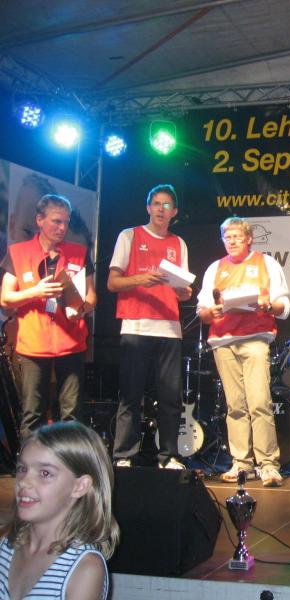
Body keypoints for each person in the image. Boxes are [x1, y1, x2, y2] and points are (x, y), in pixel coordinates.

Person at [197, 217, 290, 487]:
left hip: (255, 339)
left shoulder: (266, 263)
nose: (232, 241)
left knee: (259, 402)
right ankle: (242, 463)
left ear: (249, 239)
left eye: (237, 236)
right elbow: (202, 310)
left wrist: (267, 305)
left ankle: (268, 464)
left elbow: (284, 307)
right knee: (235, 406)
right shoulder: (215, 268)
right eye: (227, 237)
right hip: (223, 340)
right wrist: (211, 311)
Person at [108, 184, 192, 470]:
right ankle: (124, 455)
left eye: (166, 205)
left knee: (170, 398)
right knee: (131, 396)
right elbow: (112, 282)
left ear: (174, 212)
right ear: (148, 207)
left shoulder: (179, 243)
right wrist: (140, 279)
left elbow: (183, 290)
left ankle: (168, 456)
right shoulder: (129, 235)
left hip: (169, 328)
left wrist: (183, 292)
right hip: (136, 326)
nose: (160, 209)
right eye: (156, 203)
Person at [0, 194, 96, 439]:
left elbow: (92, 296)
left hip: (71, 342)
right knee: (33, 413)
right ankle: (30, 461)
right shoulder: (18, 253)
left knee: (72, 413)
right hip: (34, 344)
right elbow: (5, 299)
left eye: (66, 222)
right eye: (56, 221)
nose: (62, 227)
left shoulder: (79, 252)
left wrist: (81, 308)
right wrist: (35, 292)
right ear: (39, 220)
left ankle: (69, 461)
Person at [0, 421, 120, 600]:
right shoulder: (5, 545)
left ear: (80, 486)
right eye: (22, 469)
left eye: (45, 473)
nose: (24, 482)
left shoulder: (84, 567)